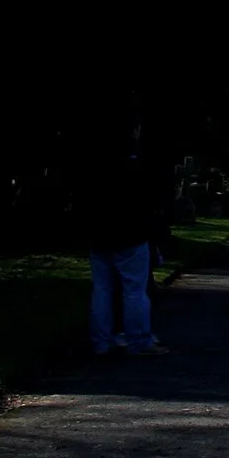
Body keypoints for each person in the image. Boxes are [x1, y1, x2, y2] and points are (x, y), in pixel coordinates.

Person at [80, 123, 170, 357]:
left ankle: (101, 341)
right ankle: (138, 339)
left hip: (100, 234)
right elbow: (149, 202)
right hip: (130, 233)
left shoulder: (95, 165)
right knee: (134, 291)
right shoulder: (137, 166)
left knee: (102, 289)